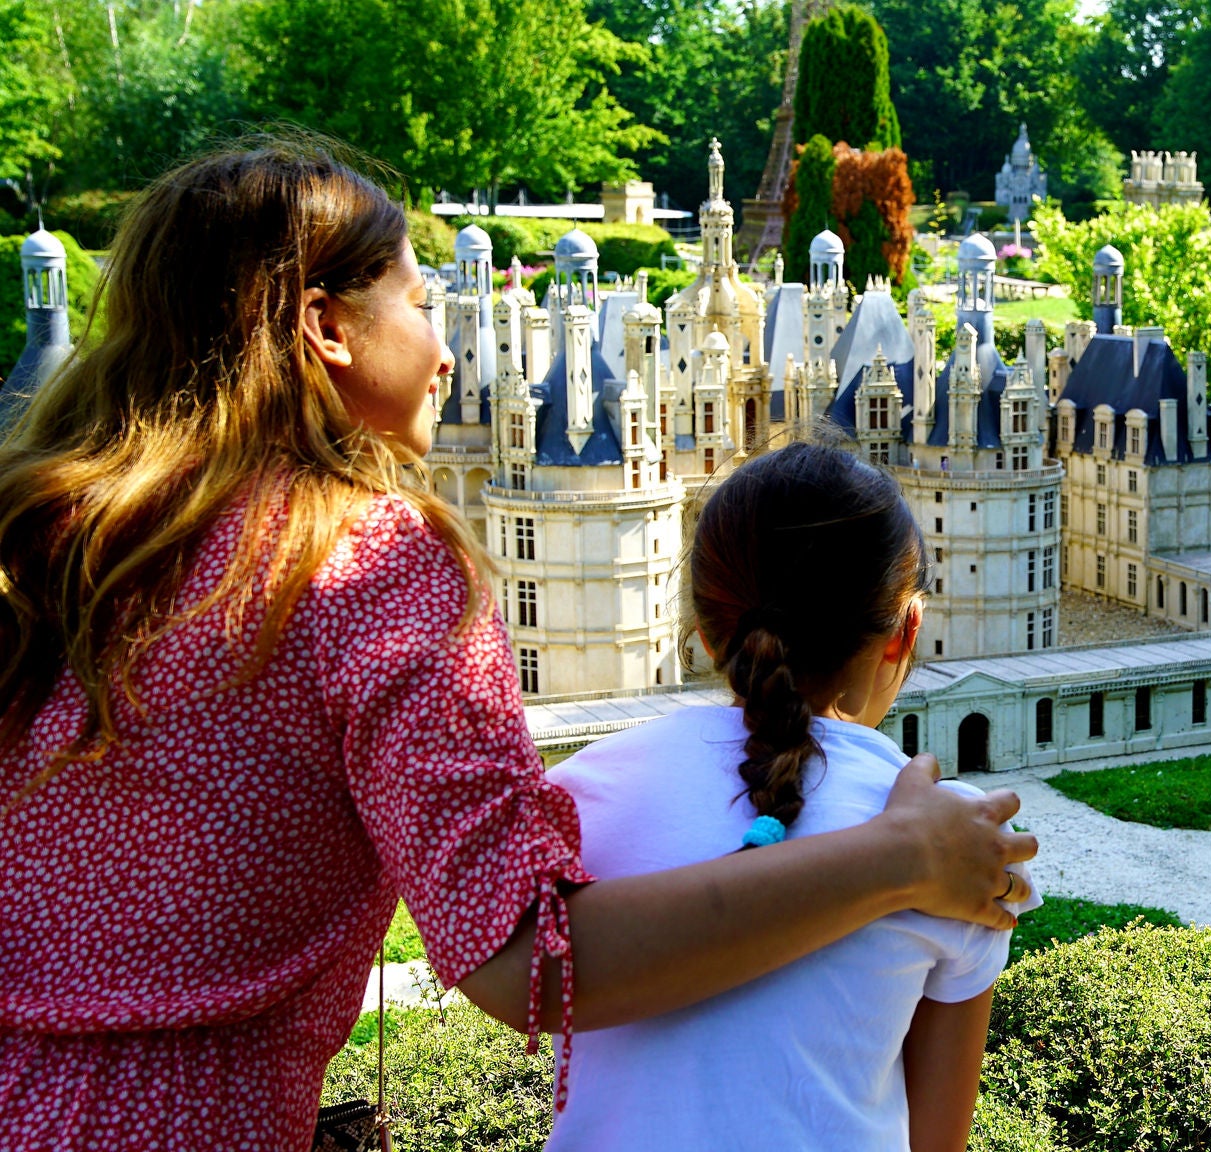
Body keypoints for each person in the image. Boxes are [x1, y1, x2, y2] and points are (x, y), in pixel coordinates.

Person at [0, 137, 1036, 1150]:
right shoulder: (360, 560)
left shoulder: (58, 535)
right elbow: (530, 964)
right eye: (418, 302)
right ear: (325, 328)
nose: (447, 347)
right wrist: (899, 857)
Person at [546, 443, 1039, 1152]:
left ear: (707, 630)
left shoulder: (582, 793)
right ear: (906, 631)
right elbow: (937, 1141)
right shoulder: (964, 838)